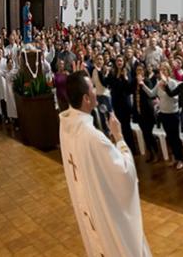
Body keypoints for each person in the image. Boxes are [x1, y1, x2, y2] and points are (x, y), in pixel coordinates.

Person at [59, 72, 151, 256]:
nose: (95, 91)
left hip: (91, 205)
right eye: (92, 87)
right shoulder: (93, 137)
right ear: (86, 98)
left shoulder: (66, 126)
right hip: (103, 213)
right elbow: (125, 173)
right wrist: (119, 137)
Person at [132, 65, 159, 163]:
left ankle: (156, 153)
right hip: (139, 112)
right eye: (137, 70)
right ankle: (151, 153)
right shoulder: (134, 82)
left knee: (149, 134)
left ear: (144, 71)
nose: (139, 72)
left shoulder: (147, 81)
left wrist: (142, 84)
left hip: (147, 112)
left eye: (140, 70)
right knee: (145, 134)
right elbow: (130, 90)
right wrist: (135, 82)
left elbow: (151, 95)